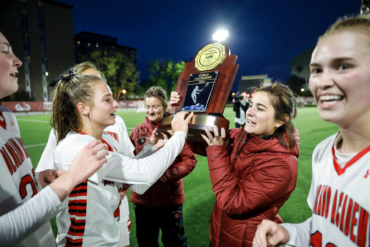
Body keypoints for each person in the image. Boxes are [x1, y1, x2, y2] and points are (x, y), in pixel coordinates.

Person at [252, 14, 370, 247]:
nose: (322, 81)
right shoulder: (323, 151)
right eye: (316, 70)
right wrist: (291, 234)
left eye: (343, 66)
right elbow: (325, 226)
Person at [50, 71, 193, 246]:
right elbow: (144, 173)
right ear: (83, 108)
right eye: (107, 99)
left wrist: (150, 147)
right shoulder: (79, 148)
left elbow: (137, 184)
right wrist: (178, 136)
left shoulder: (90, 143)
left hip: (106, 239)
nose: (116, 104)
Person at [0, 32, 109, 246]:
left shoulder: (7, 117)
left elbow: (16, 194)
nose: (18, 60)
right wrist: (72, 177)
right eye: (4, 51)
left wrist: (39, 181)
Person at [170, 83, 299, 247]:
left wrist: (216, 149)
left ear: (281, 120)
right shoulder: (243, 135)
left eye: (260, 108)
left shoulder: (282, 165)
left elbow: (233, 203)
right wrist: (179, 108)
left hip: (248, 241)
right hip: (220, 235)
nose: (249, 111)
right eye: (251, 105)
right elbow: (201, 142)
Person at [36, 62, 140, 247]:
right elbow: (44, 177)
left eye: (98, 80)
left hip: (117, 212)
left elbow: (130, 162)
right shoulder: (64, 130)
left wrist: (123, 185)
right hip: (84, 221)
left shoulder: (118, 122)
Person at [130, 86, 196, 247]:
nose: (150, 111)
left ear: (165, 107)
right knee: (146, 243)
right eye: (147, 106)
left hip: (170, 202)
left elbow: (190, 160)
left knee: (175, 243)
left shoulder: (175, 129)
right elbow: (128, 162)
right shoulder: (137, 131)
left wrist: (169, 174)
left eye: (155, 106)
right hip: (143, 202)